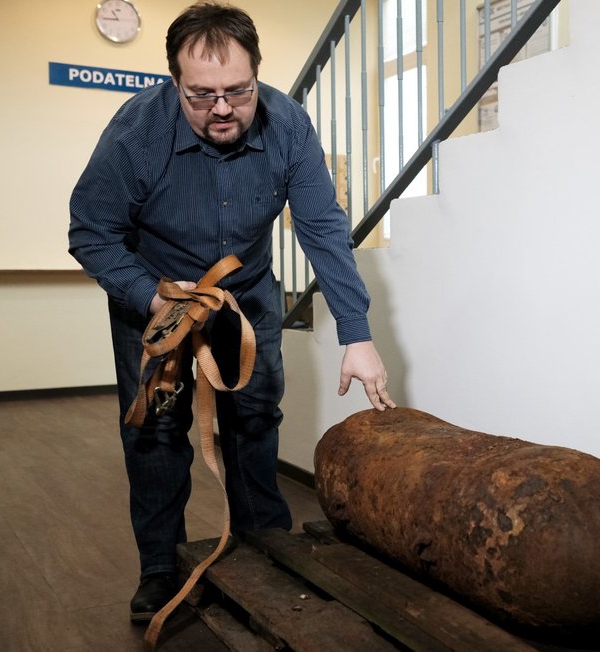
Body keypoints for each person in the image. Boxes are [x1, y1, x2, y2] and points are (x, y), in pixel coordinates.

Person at [68, 1, 395, 622]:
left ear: (257, 76)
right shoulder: (136, 133)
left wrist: (357, 333)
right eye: (202, 95)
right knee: (156, 433)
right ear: (174, 83)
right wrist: (151, 297)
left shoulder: (289, 125)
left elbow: (323, 230)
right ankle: (160, 567)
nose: (222, 108)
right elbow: (91, 234)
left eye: (238, 92)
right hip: (154, 306)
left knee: (254, 423)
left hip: (244, 301)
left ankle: (267, 548)